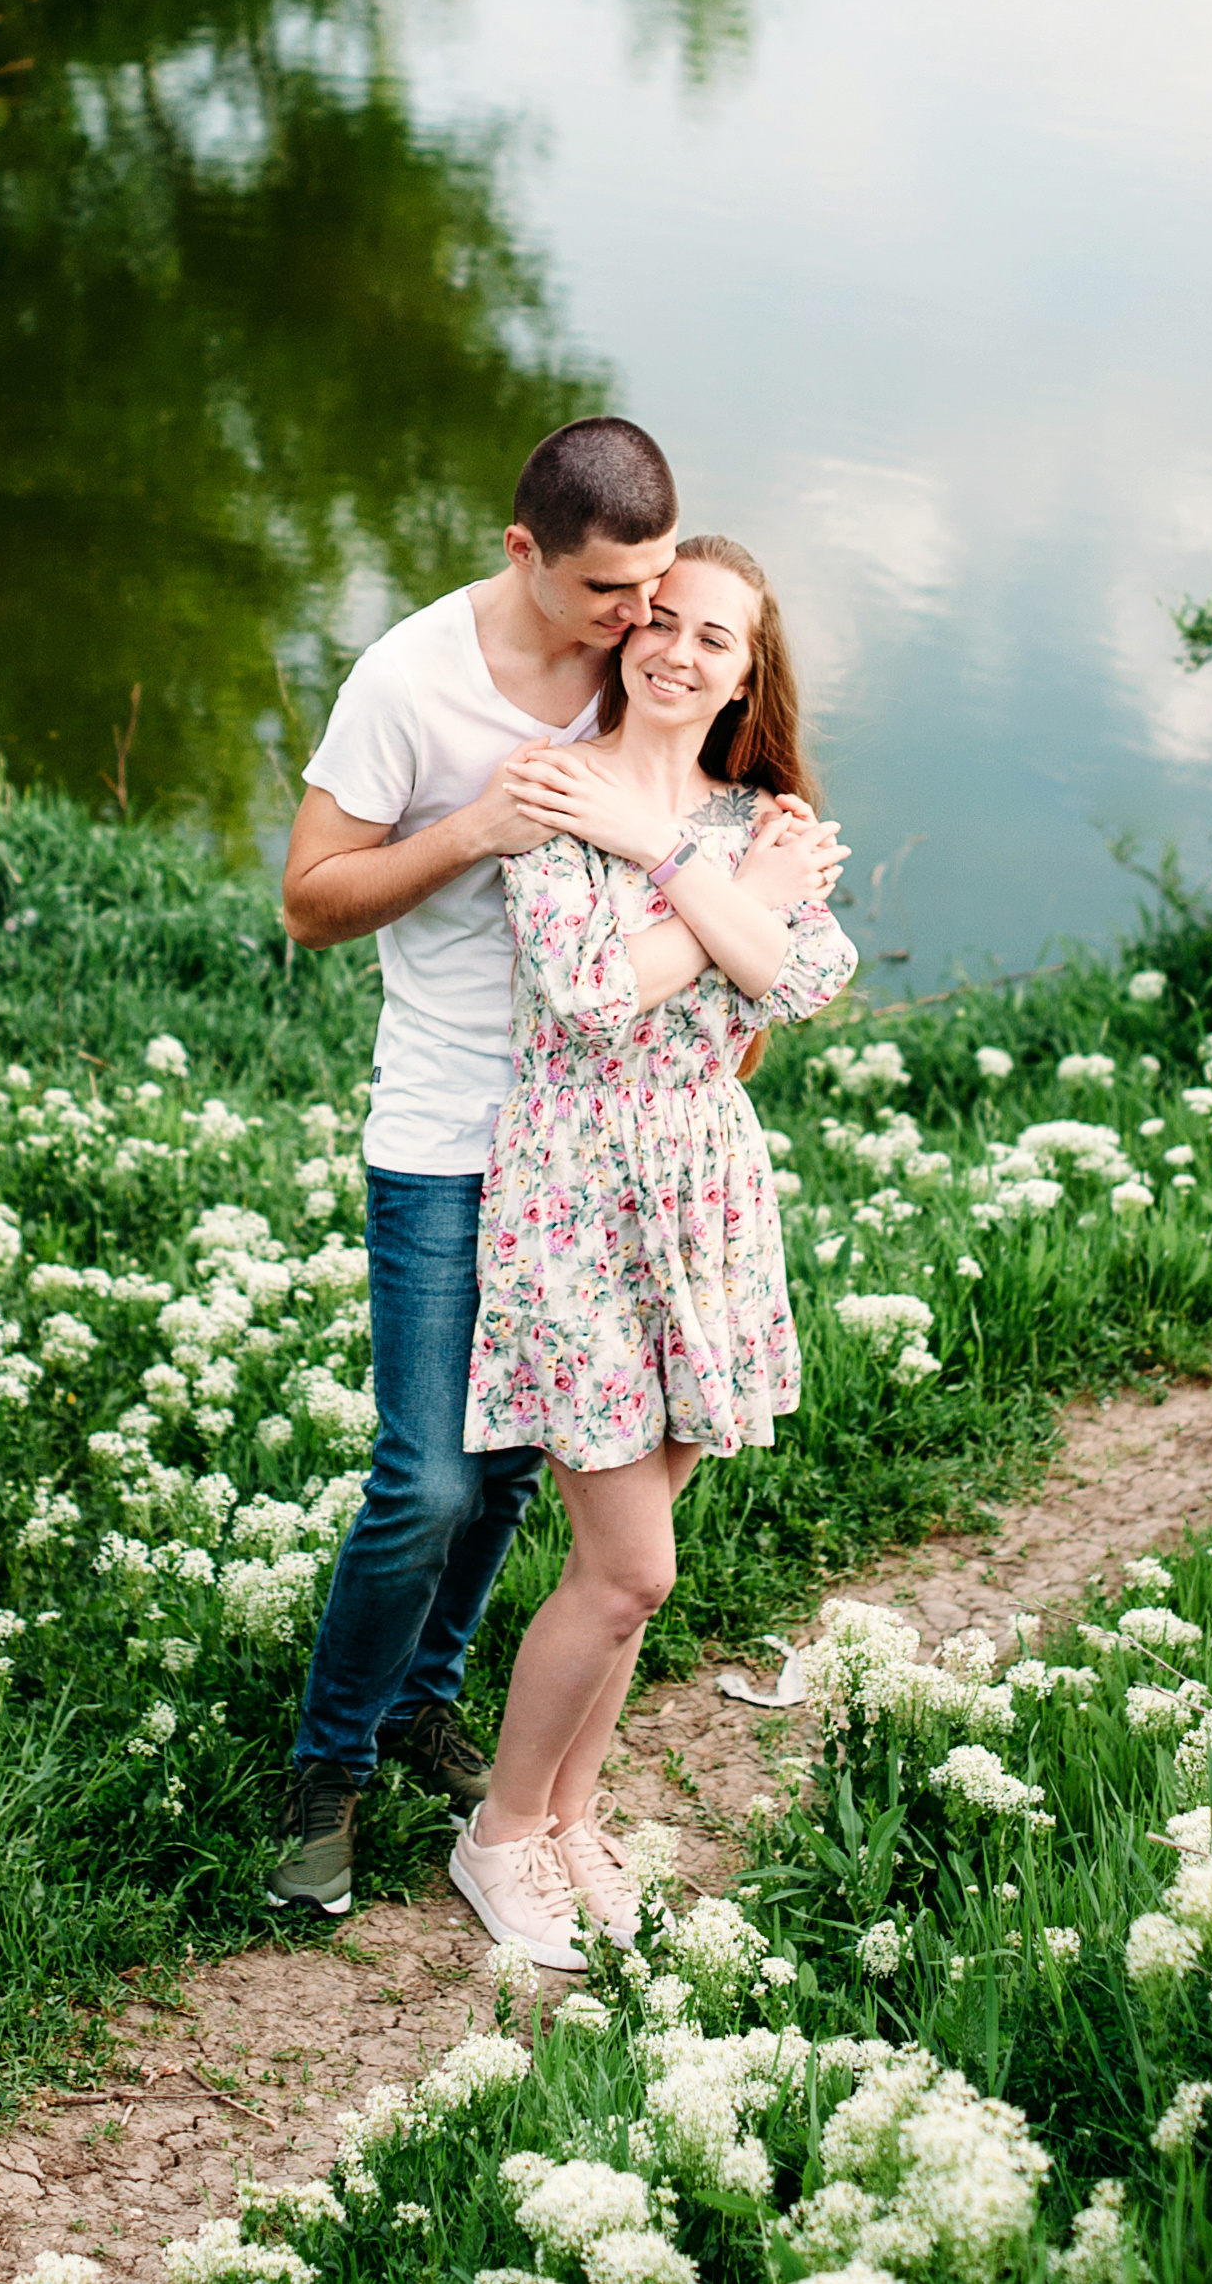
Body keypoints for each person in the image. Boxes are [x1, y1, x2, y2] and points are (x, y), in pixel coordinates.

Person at [265, 416, 687, 1915]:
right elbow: (311, 902)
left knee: (511, 1464)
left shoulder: (653, 655)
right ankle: (326, 1768)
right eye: (604, 594)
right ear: (523, 550)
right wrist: (475, 828)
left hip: (597, 1147)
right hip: (450, 1132)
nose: (637, 621)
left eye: (651, 588)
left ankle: (420, 1700)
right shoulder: (411, 681)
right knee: (429, 1473)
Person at [443, 535, 857, 1969]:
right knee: (630, 1570)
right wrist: (710, 876)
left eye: (715, 638)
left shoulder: (759, 813)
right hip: (576, 1194)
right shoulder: (563, 791)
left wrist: (687, 859)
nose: (678, 652)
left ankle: (570, 1818)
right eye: (661, 622)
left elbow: (805, 976)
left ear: (751, 668)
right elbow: (595, 990)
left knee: (632, 1559)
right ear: (629, 633)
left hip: (704, 1193)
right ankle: (498, 1832)